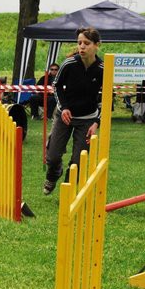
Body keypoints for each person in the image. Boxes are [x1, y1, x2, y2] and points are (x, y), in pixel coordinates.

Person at [43, 27, 103, 196]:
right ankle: (53, 174)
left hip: (87, 119)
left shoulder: (102, 69)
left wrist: (97, 122)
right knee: (53, 156)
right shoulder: (69, 64)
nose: (82, 47)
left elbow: (107, 97)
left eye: (86, 43)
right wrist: (64, 107)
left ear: (97, 45)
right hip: (65, 115)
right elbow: (56, 86)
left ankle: (67, 190)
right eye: (79, 43)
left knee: (78, 161)